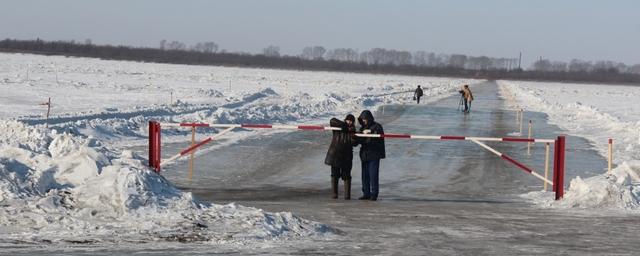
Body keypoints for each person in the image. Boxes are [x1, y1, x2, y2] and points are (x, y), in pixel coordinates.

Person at [324, 114, 357, 199]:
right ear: (345, 120)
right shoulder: (338, 128)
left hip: (347, 156)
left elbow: (355, 144)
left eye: (351, 121)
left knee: (346, 175)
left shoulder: (353, 130)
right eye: (348, 120)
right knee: (335, 174)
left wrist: (354, 137)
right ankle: (334, 194)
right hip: (336, 155)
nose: (349, 122)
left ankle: (347, 195)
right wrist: (343, 125)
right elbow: (332, 120)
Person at [355, 110, 385, 201]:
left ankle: (374, 194)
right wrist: (355, 138)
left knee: (373, 175)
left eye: (365, 119)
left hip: (374, 155)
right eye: (362, 119)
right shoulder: (362, 128)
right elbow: (359, 141)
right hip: (364, 155)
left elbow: (379, 133)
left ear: (369, 118)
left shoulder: (377, 126)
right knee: (365, 176)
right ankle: (366, 193)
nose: (363, 121)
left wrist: (370, 131)